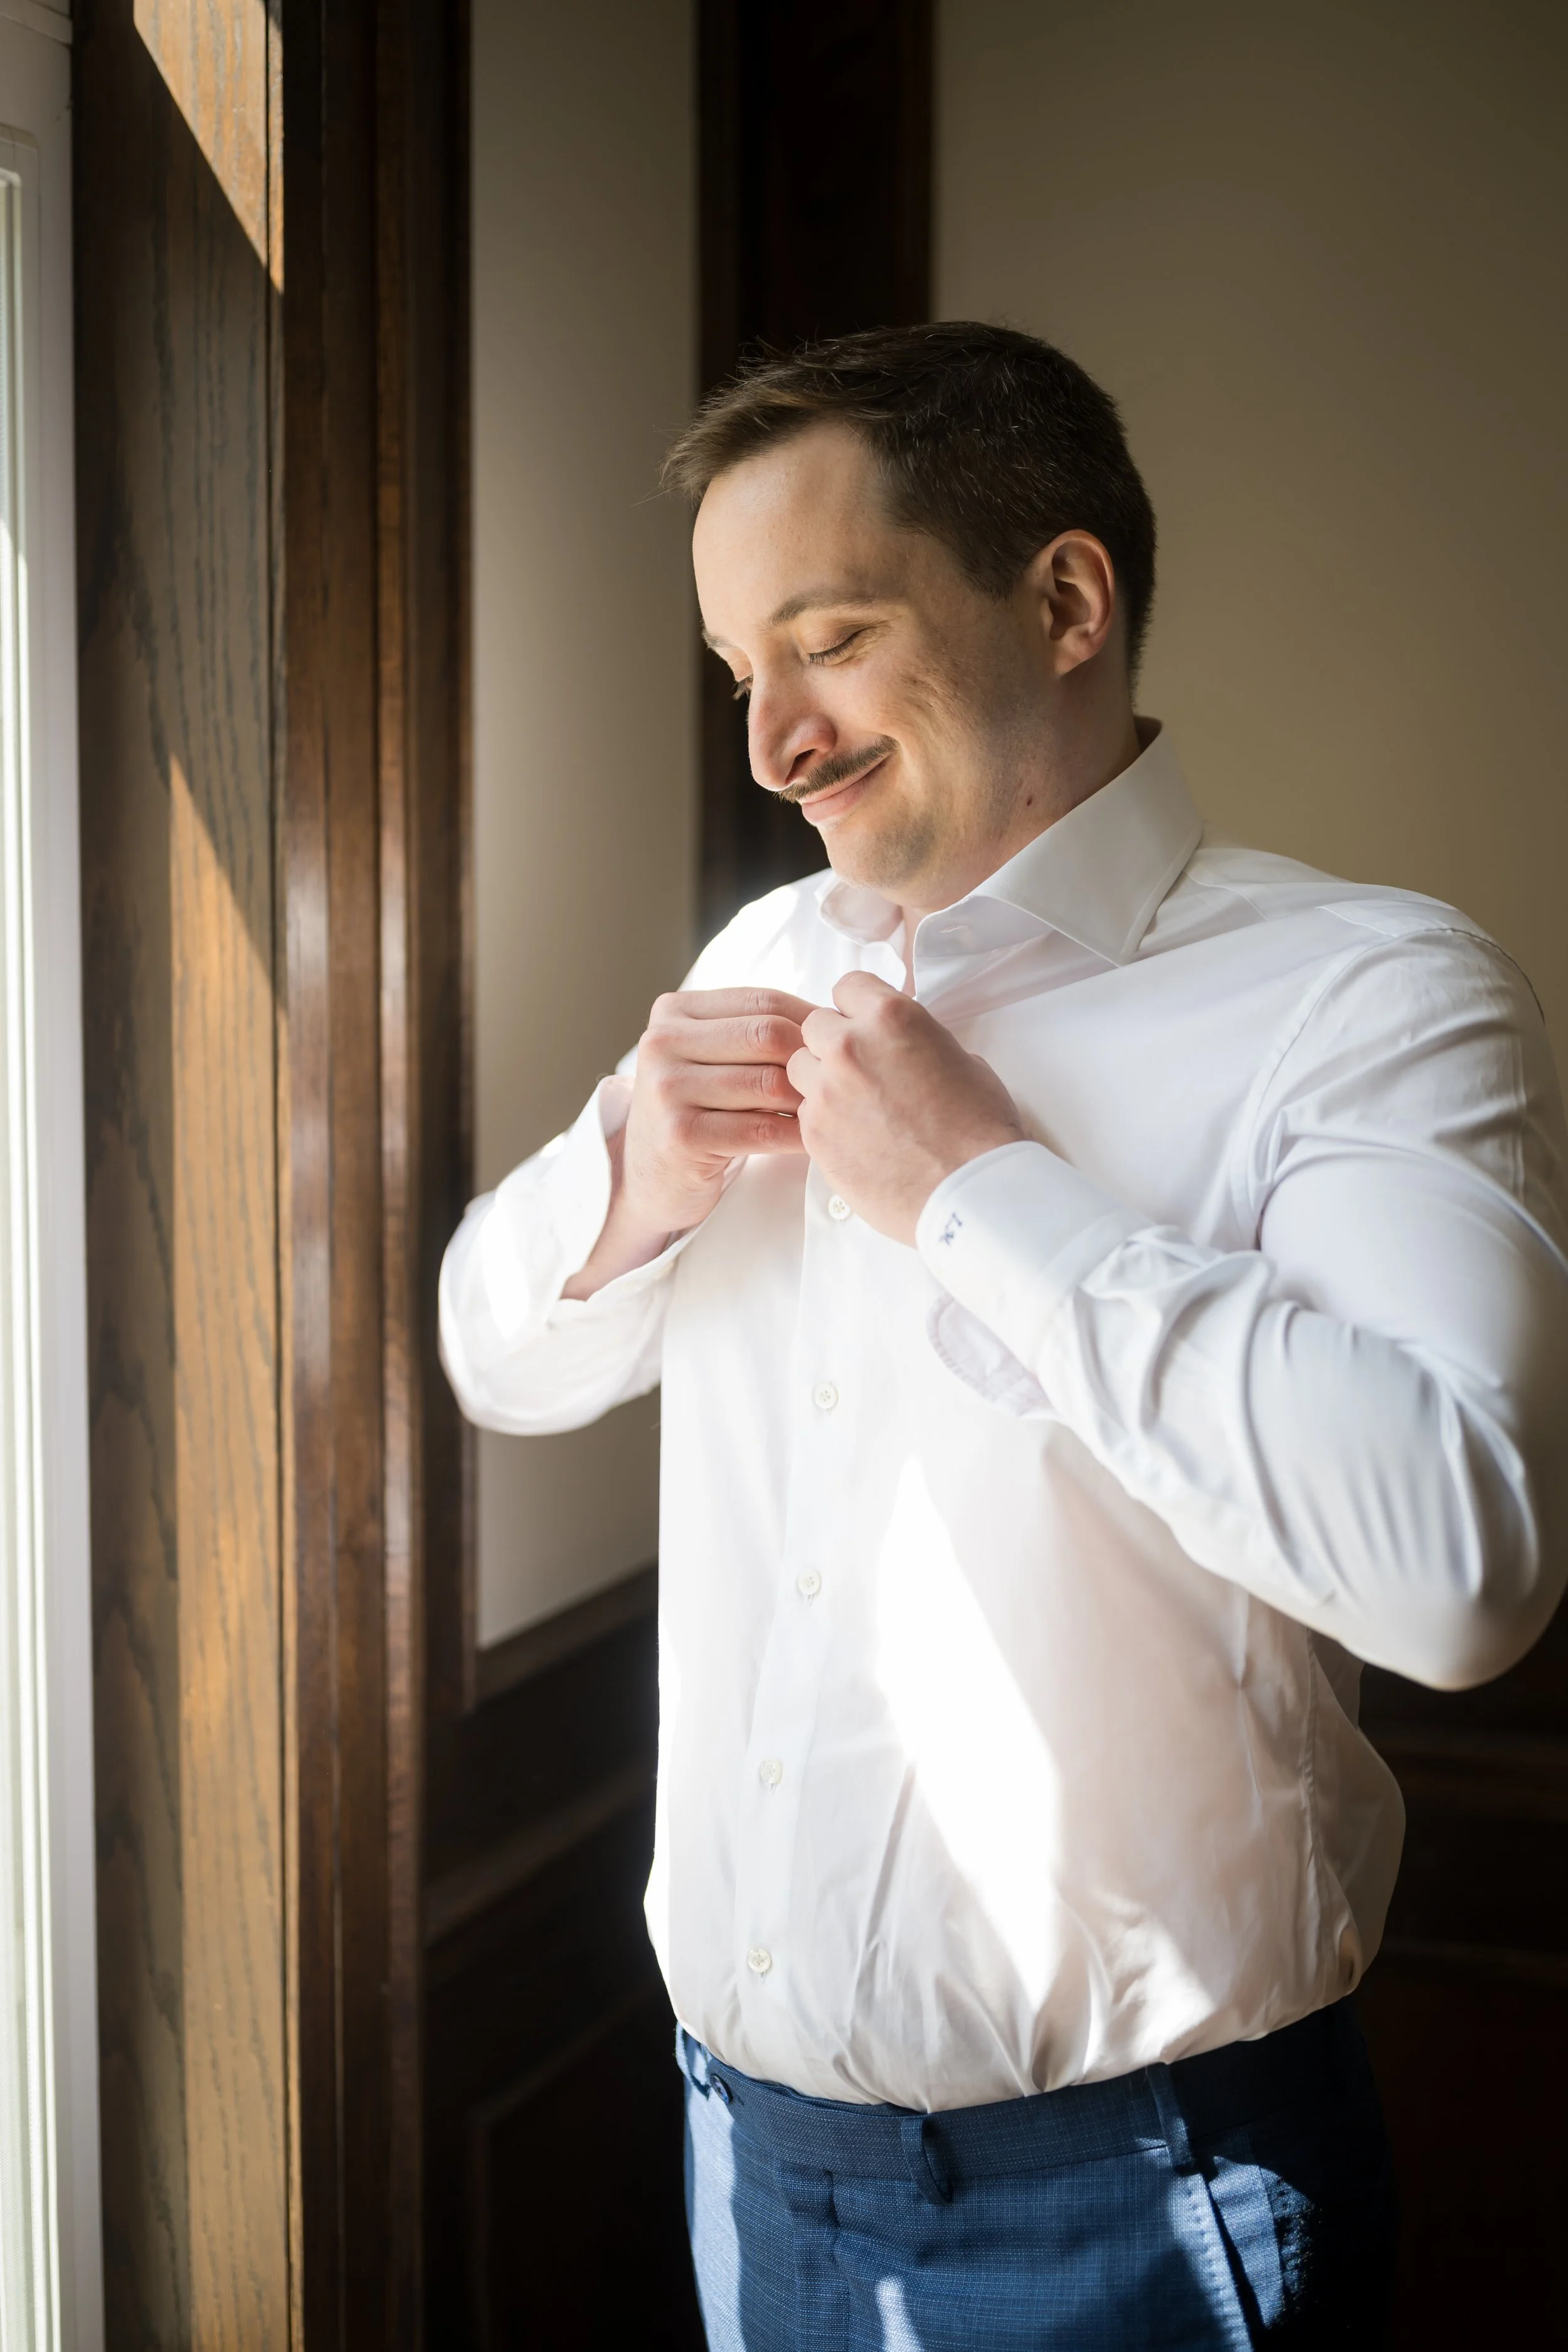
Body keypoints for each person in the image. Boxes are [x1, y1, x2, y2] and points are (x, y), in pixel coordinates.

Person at [438, 323, 1568, 2348]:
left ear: (1061, 599)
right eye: (738, 677)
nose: (771, 738)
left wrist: (984, 1198)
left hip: (1135, 2218)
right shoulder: (761, 963)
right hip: (740, 2166)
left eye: (828, 639)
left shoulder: (1367, 995)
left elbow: (1458, 1561)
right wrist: (625, 1175)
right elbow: (497, 1360)